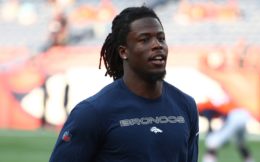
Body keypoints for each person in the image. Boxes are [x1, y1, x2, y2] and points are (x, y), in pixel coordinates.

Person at [49, 6, 199, 162]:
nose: (157, 45)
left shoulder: (185, 105)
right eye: (144, 39)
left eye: (161, 38)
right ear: (123, 52)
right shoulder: (92, 113)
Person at [199, 98, 255, 162]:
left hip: (234, 116)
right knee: (240, 143)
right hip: (243, 114)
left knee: (212, 142)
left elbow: (210, 124)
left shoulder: (204, 107)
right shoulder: (216, 103)